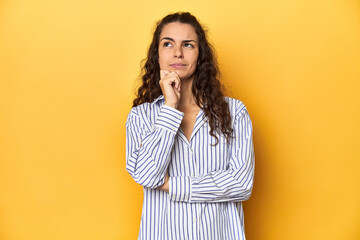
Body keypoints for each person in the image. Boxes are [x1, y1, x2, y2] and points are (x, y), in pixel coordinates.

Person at [125, 12, 255, 240]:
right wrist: (170, 107)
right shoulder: (141, 117)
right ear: (157, 54)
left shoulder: (235, 113)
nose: (178, 53)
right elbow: (147, 175)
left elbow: (241, 184)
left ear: (200, 54)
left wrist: (172, 185)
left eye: (188, 44)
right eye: (168, 44)